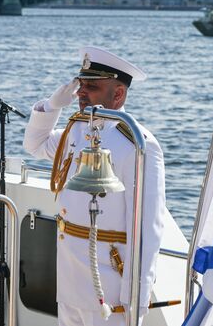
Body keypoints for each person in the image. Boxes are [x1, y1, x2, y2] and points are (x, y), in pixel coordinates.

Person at [23, 46, 166, 326]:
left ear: (118, 94)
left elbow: (148, 227)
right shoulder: (77, 128)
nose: (81, 93)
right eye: (80, 85)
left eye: (92, 87)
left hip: (109, 281)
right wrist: (52, 106)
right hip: (69, 277)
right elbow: (34, 144)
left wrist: (135, 296)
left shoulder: (137, 144)